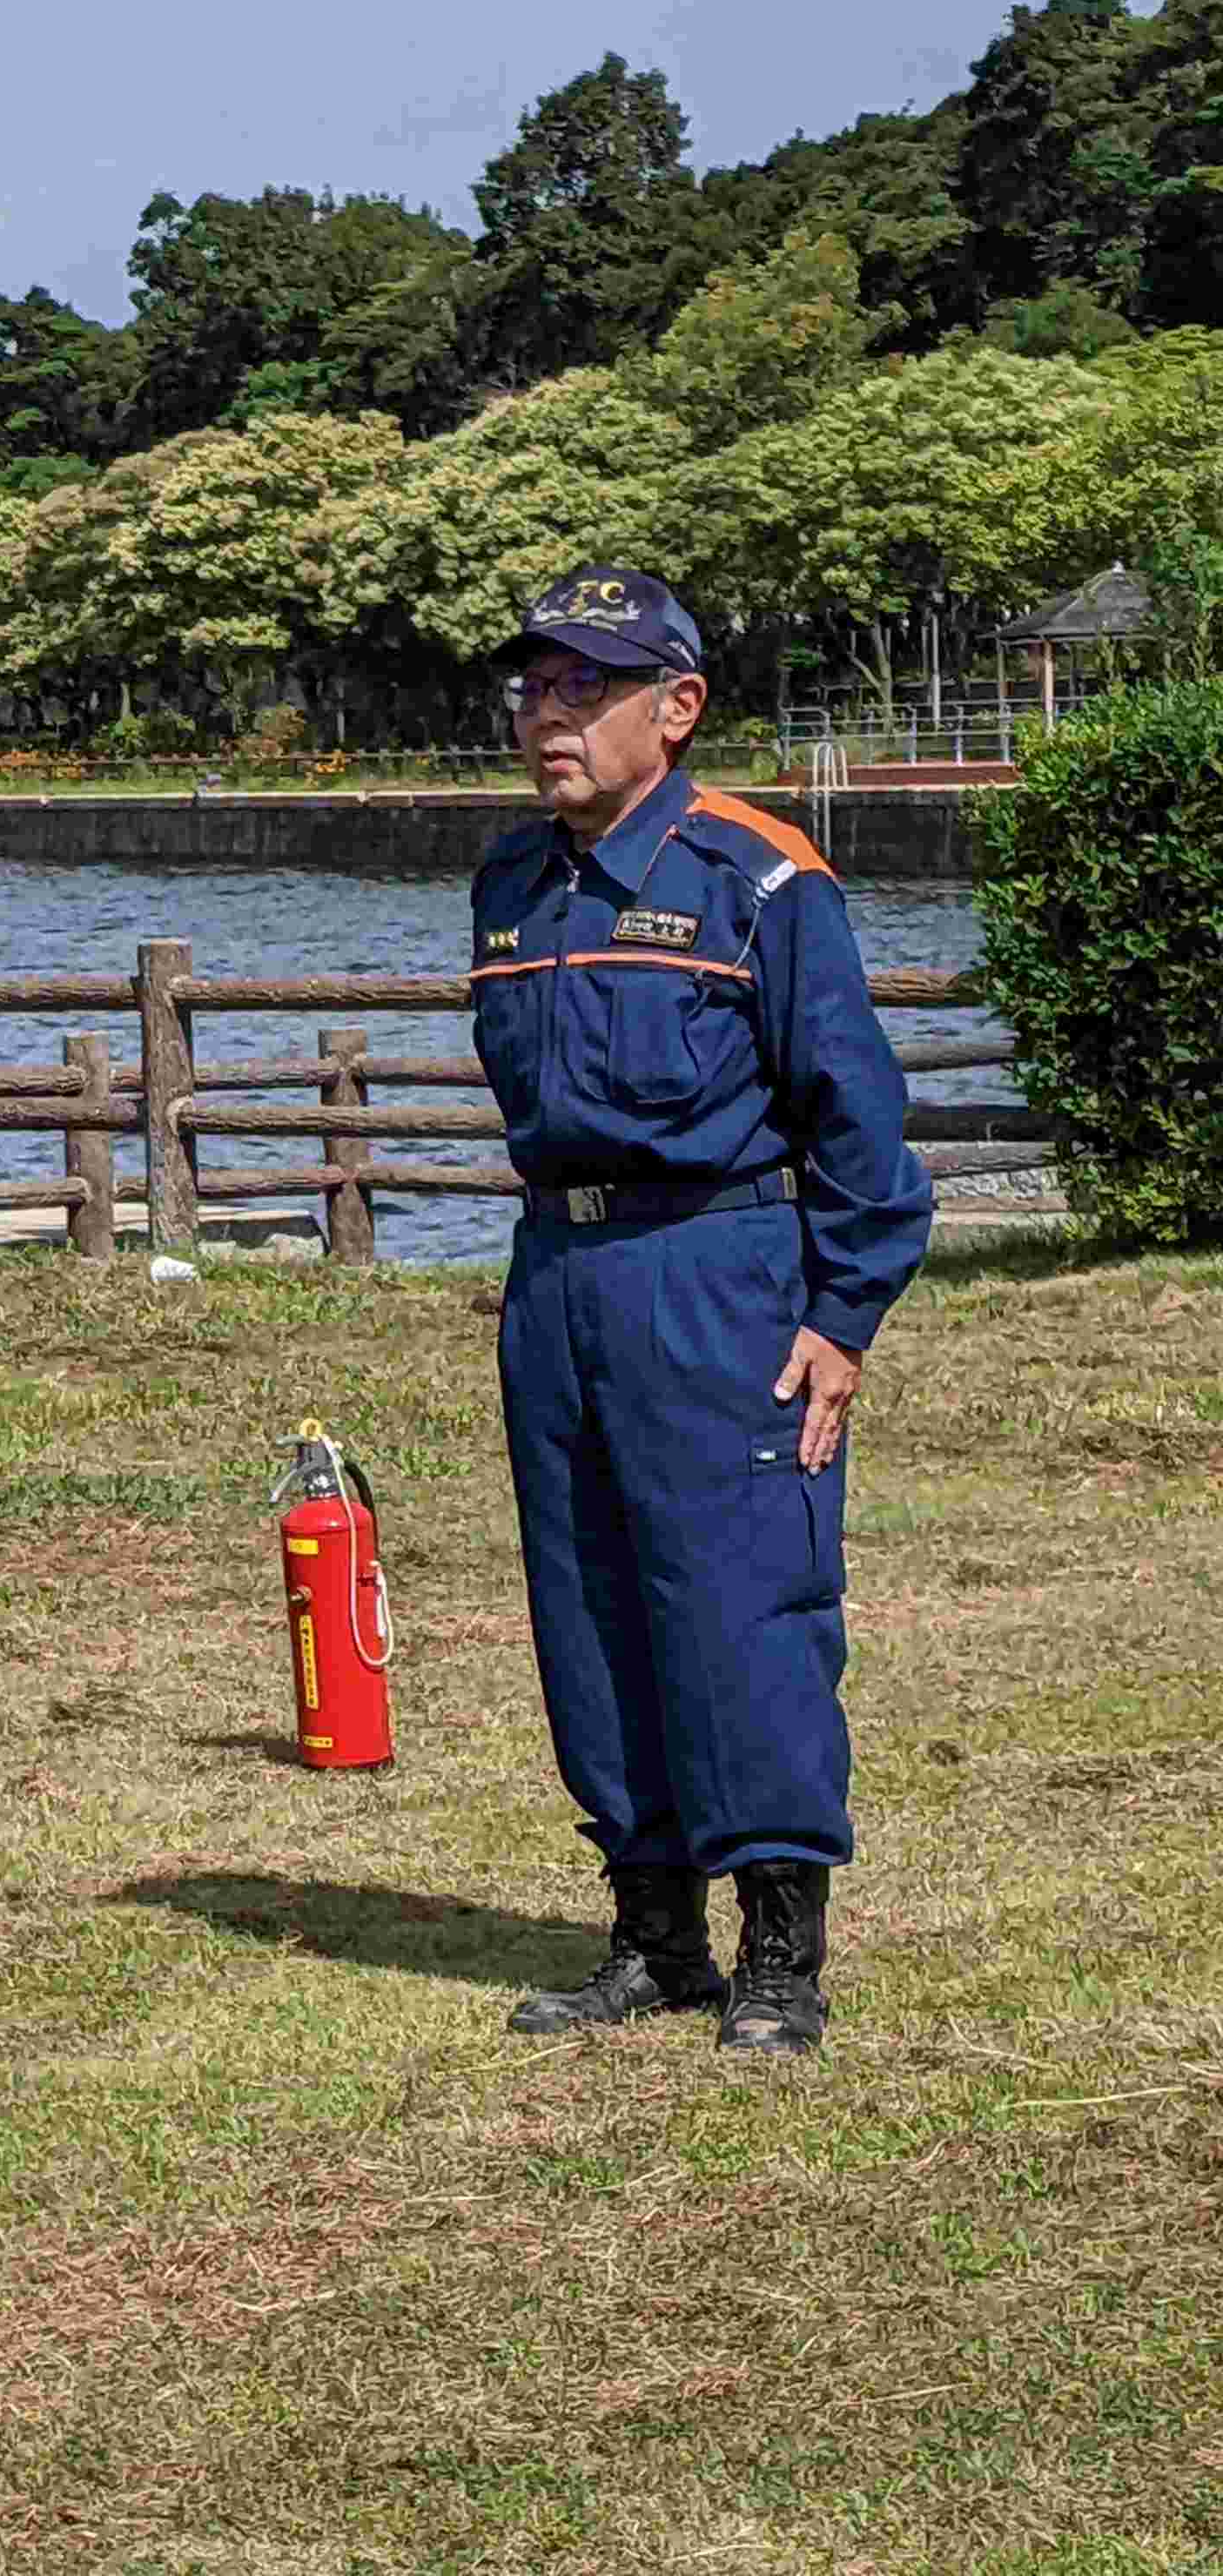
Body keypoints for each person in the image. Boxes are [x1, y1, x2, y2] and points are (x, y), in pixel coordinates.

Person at [471, 568, 934, 2059]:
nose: (552, 715)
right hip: (560, 1279)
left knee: (739, 1603)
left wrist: (843, 1314)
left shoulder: (761, 878)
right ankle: (652, 1934)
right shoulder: (509, 884)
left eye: (585, 690)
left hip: (720, 1275)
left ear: (675, 709)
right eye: (536, 687)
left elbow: (857, 1117)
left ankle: (780, 1954)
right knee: (591, 1608)